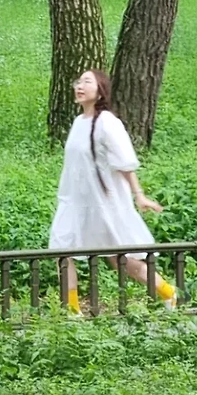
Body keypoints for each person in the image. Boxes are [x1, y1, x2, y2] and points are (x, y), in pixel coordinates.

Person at [49, 68, 176, 312]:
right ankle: (72, 312)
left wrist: (139, 195)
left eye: (87, 82)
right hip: (73, 201)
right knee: (62, 251)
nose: (80, 86)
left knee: (121, 259)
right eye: (78, 82)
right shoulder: (78, 123)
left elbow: (124, 163)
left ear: (100, 92)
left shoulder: (108, 122)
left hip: (103, 203)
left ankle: (169, 293)